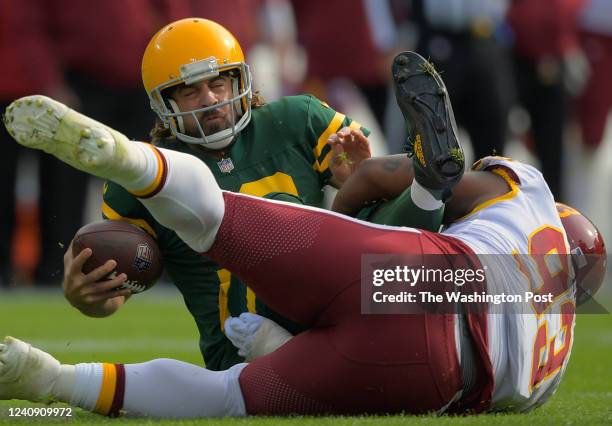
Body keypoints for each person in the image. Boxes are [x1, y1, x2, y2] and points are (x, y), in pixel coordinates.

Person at [2, 51, 605, 417]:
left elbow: (382, 173)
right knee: (227, 399)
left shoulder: (525, 197)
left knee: (220, 220)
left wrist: (374, 195)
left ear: (560, 217)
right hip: (436, 369)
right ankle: (53, 382)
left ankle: (128, 159)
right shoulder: (549, 373)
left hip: (426, 276)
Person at [60, 17, 375, 370]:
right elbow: (115, 290)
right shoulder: (145, 175)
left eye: (218, 83)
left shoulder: (297, 118)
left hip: (326, 315)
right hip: (240, 355)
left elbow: (370, 213)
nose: (210, 100)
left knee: (396, 215)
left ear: (239, 80)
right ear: (166, 104)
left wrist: (361, 182)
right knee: (269, 223)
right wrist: (85, 295)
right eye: (190, 91)